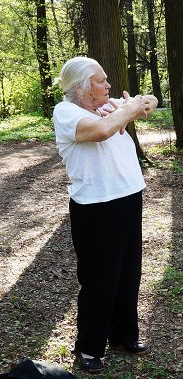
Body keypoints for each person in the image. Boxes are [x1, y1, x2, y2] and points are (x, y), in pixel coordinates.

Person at [52, 57, 158, 373]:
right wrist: (126, 112)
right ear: (83, 87)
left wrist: (140, 105)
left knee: (129, 272)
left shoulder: (110, 105)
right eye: (101, 80)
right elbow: (99, 132)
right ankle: (89, 346)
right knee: (100, 280)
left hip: (128, 197)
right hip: (96, 206)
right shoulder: (67, 113)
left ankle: (124, 336)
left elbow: (149, 99)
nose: (108, 85)